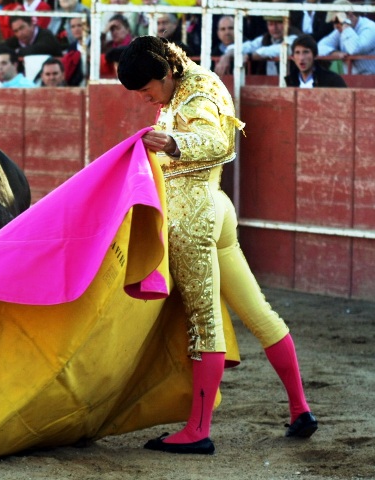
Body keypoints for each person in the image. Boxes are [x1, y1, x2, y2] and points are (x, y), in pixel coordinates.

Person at [117, 36, 318, 455]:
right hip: (213, 209)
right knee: (258, 311)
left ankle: (198, 430)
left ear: (166, 72)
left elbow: (218, 143)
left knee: (204, 321)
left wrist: (171, 143)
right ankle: (300, 408)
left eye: (146, 89)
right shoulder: (186, 87)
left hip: (194, 215)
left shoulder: (200, 89)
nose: (144, 98)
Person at [221, 16, 300, 75]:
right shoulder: (266, 38)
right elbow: (248, 46)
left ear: (288, 23)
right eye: (271, 24)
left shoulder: (295, 37)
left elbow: (279, 49)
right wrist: (227, 55)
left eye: (278, 23)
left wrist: (249, 56)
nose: (274, 28)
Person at [317, 0, 375, 74]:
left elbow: (354, 50)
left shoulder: (370, 28)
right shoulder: (340, 30)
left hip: (372, 79)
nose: (335, 27)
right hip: (353, 80)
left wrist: (345, 23)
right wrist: (334, 53)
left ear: (350, 15)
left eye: (337, 21)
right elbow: (319, 47)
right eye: (333, 22)